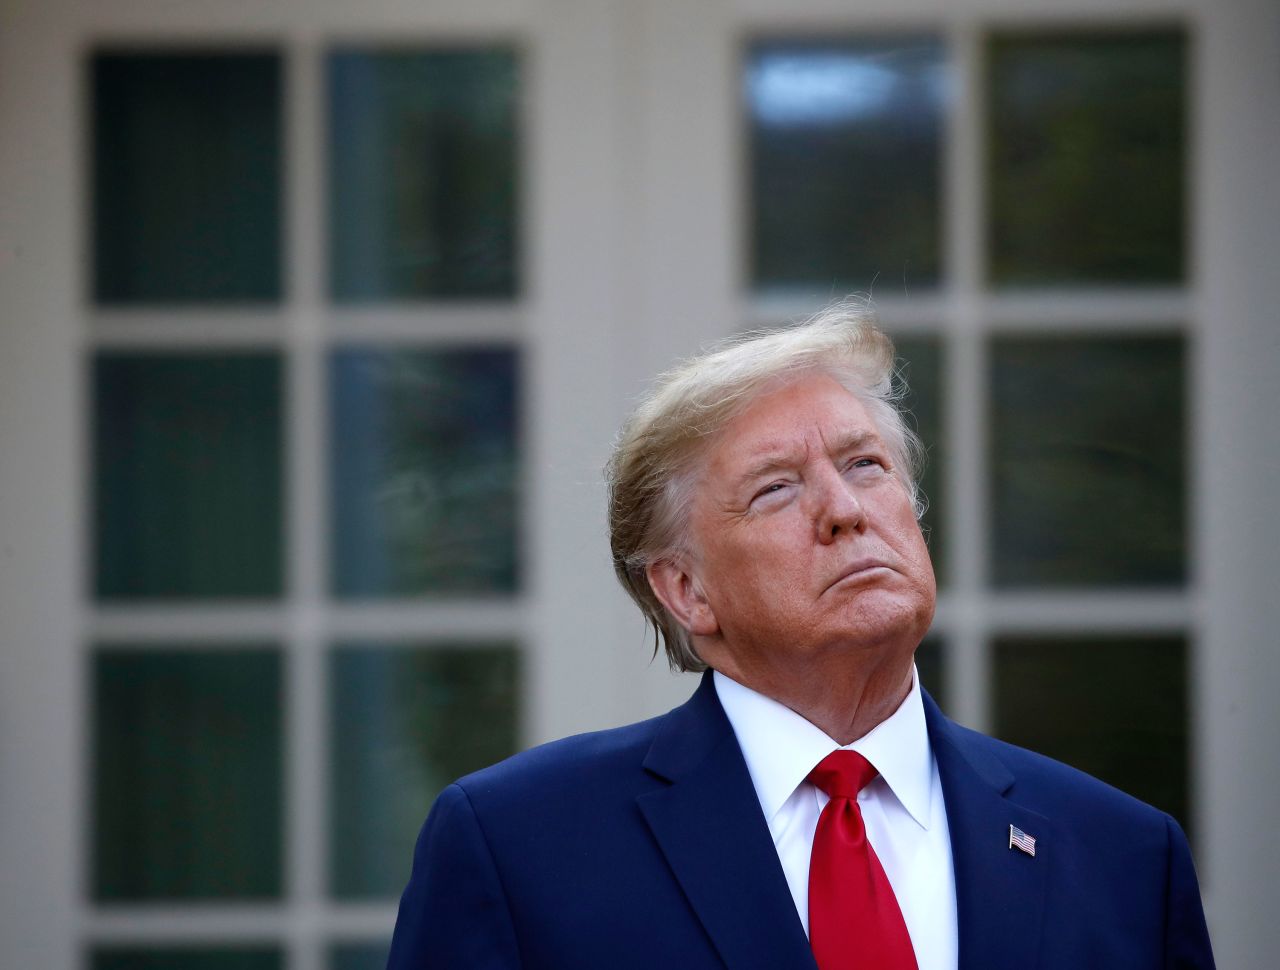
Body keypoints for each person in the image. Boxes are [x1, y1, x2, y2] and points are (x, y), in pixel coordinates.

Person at [386, 302, 1215, 969]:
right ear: (686, 589)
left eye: (866, 466)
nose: (846, 511)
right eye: (777, 489)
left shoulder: (1124, 857)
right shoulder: (519, 845)